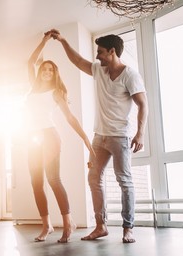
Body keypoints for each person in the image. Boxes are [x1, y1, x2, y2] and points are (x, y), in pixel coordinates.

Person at [49, 29, 148, 243]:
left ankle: (128, 228)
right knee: (94, 178)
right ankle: (101, 226)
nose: (97, 56)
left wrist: (140, 133)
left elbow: (143, 105)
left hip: (120, 137)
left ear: (112, 51)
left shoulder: (130, 75)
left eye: (100, 52)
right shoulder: (99, 70)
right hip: (99, 138)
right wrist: (64, 40)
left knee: (125, 181)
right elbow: (77, 61)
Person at [24, 32, 95, 243]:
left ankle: (68, 222)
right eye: (44, 68)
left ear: (55, 74)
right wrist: (44, 41)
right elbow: (30, 62)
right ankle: (47, 225)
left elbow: (70, 118)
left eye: (50, 69)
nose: (46, 71)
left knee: (53, 179)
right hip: (31, 137)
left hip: (49, 136)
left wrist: (85, 140)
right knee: (36, 183)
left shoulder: (56, 92)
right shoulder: (33, 88)